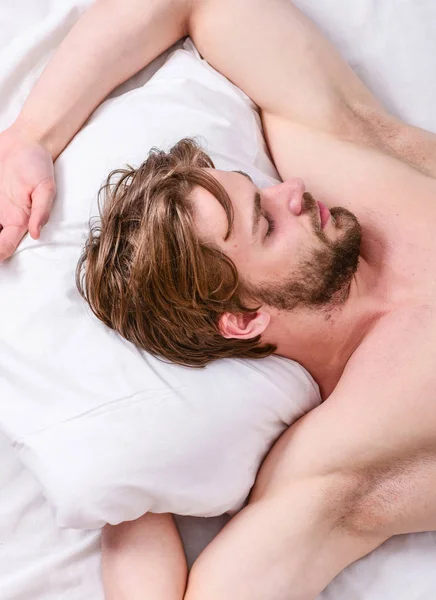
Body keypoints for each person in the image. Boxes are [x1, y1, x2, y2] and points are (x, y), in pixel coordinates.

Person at [2, 0, 436, 598]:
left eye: (258, 189)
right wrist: (137, 498)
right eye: (264, 223)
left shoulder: (340, 151)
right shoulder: (344, 459)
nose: (291, 191)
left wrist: (29, 136)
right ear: (242, 319)